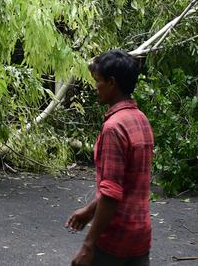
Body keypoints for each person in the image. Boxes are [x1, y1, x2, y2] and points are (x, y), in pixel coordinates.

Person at [66, 49, 154, 266]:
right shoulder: (140, 119)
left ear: (112, 82)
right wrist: (89, 210)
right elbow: (124, 184)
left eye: (98, 81)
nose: (96, 87)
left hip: (115, 241)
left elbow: (112, 194)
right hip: (140, 236)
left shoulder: (113, 128)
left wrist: (88, 245)